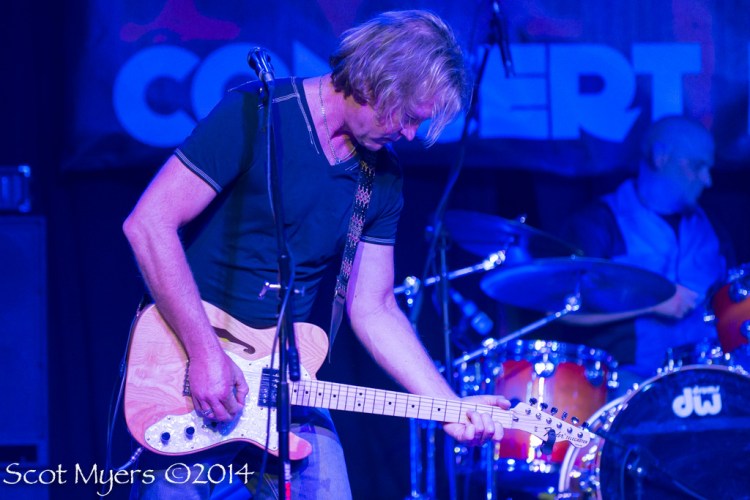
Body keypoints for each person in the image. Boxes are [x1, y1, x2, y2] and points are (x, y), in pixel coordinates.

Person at [123, 10, 509, 499]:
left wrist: (447, 406)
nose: (412, 134)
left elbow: (375, 307)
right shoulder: (256, 115)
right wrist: (204, 354)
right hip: (190, 369)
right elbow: (148, 224)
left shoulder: (381, 176)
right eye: (409, 116)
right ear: (375, 82)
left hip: (287, 383)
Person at [560, 115, 733, 389]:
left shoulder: (711, 227)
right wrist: (653, 304)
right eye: (697, 166)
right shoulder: (599, 223)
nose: (707, 180)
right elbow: (566, 311)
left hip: (707, 376)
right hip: (629, 380)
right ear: (660, 156)